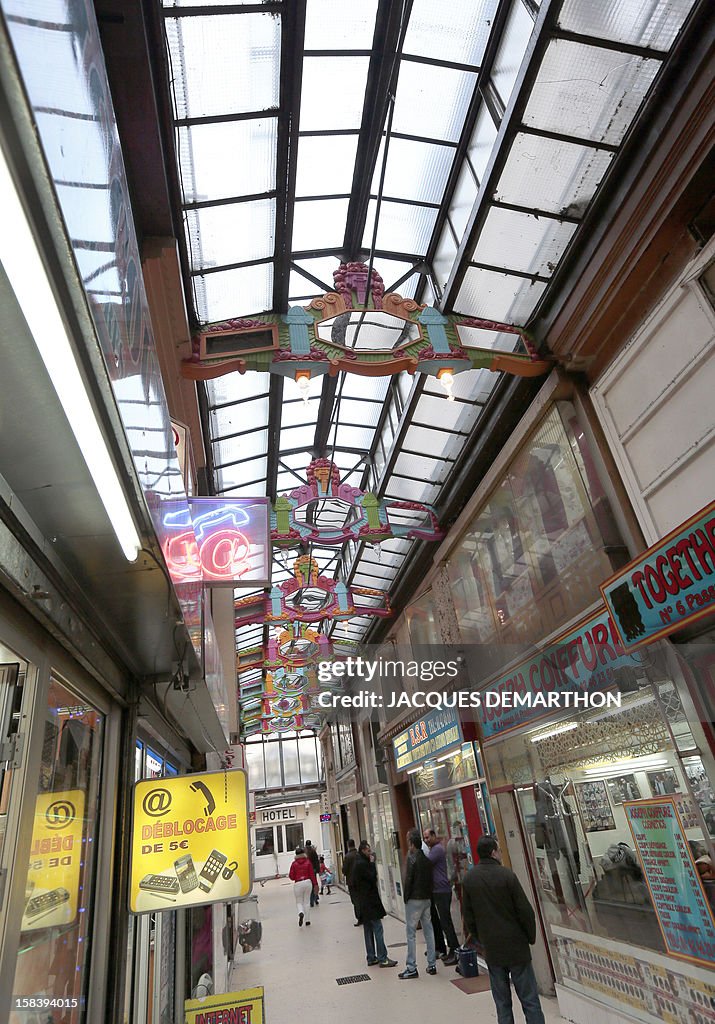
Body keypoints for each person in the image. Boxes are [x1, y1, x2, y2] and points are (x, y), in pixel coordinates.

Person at [462, 835, 545, 1024]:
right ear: (493, 853)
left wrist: (480, 939)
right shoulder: (507, 876)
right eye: (499, 850)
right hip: (516, 947)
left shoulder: (469, 879)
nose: (500, 853)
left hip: (492, 948)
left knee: (502, 1003)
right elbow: (525, 911)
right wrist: (529, 937)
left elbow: (469, 917)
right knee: (530, 1000)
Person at [351, 839, 397, 969]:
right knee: (377, 928)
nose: (370, 853)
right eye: (368, 850)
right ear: (363, 851)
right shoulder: (363, 864)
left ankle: (371, 956)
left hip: (364, 902)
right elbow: (372, 877)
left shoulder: (358, 863)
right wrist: (372, 864)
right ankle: (382, 957)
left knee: (368, 929)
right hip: (370, 902)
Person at [399, 828, 437, 979]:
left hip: (414, 899)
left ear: (411, 844)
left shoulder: (412, 859)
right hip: (427, 899)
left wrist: (406, 897)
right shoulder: (427, 860)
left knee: (411, 933)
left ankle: (411, 966)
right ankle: (432, 964)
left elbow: (409, 880)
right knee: (429, 930)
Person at [424, 828, 459, 965]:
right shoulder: (434, 849)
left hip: (442, 890)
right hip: (438, 890)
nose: (426, 840)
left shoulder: (437, 849)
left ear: (434, 836)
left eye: (428, 837)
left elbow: (426, 864)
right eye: (425, 838)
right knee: (444, 921)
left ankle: (455, 950)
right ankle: (452, 949)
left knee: (446, 921)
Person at [288, 846, 318, 927]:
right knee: (307, 902)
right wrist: (315, 884)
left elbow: (291, 876)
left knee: (299, 902)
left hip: (298, 884)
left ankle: (300, 912)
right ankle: (307, 920)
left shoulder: (294, 864)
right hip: (308, 883)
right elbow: (312, 875)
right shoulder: (308, 862)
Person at [342, 838, 361, 925]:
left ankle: (359, 917)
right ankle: (364, 916)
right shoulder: (359, 854)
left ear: (348, 846)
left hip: (351, 881)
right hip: (360, 880)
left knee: (355, 900)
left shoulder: (347, 856)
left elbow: (344, 870)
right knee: (361, 898)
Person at [305, 839, 321, 907]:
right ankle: (315, 898)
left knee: (309, 885)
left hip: (307, 871)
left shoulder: (304, 852)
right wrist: (317, 869)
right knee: (314, 884)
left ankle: (311, 900)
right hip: (313, 870)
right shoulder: (313, 851)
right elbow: (316, 861)